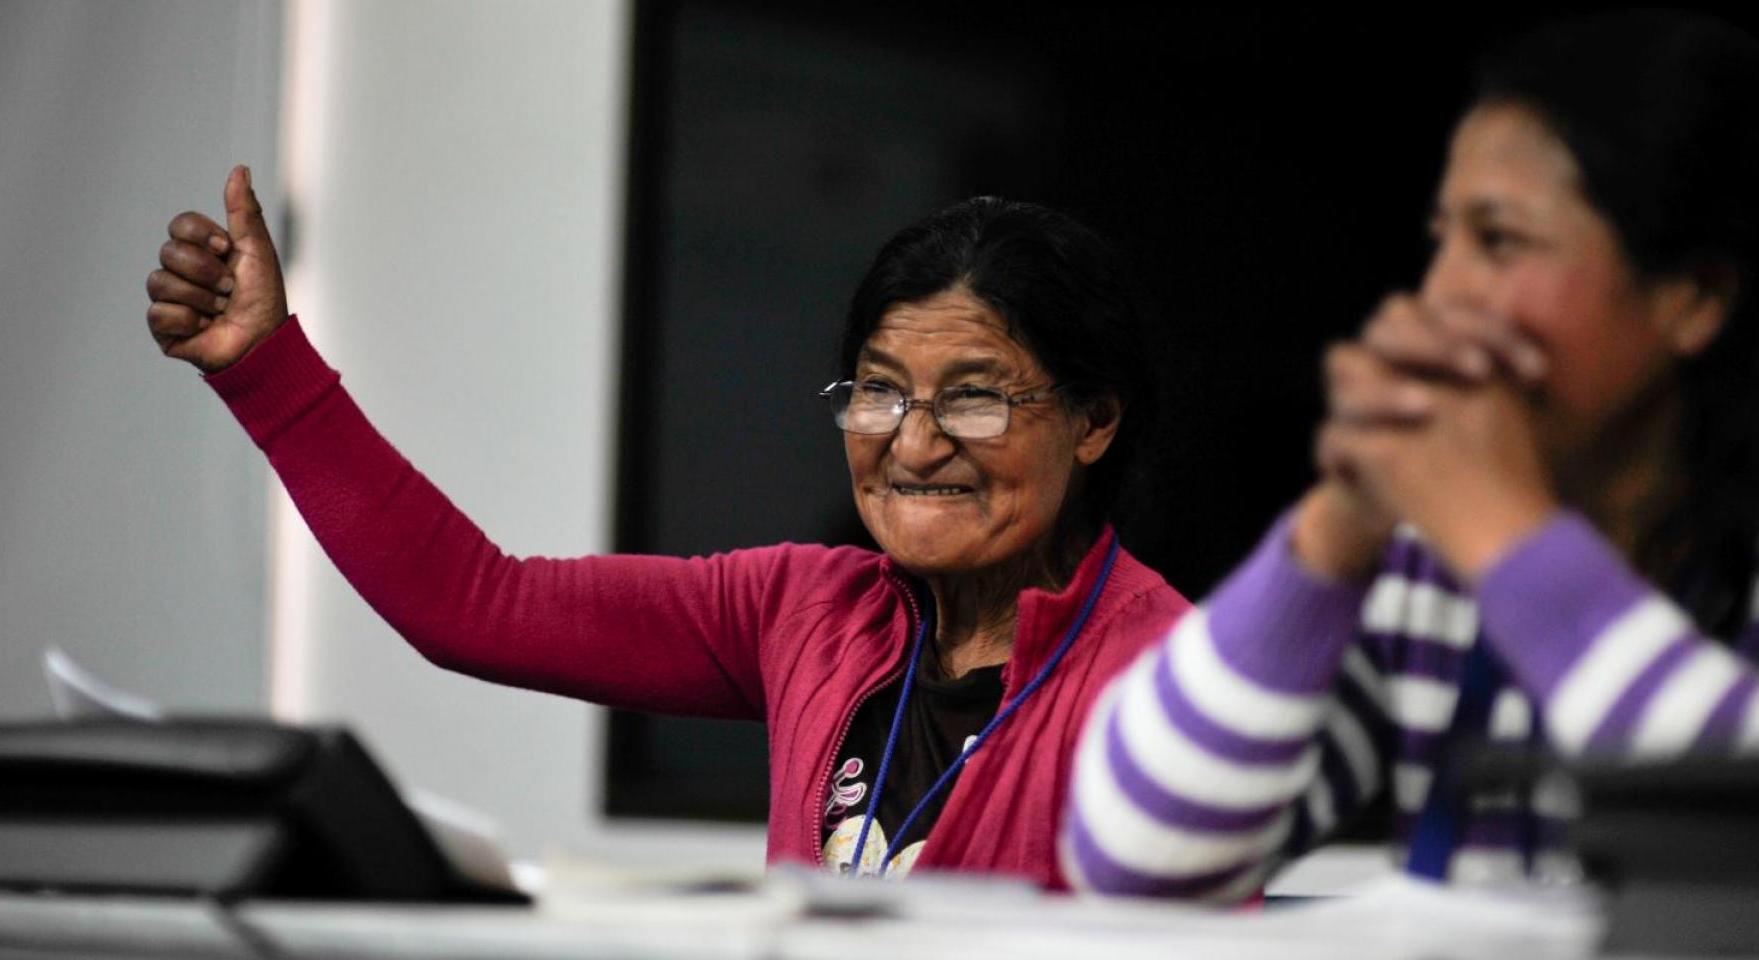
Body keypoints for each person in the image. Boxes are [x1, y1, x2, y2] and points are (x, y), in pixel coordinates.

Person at [144, 180, 1187, 887]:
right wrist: (264, 365)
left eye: (974, 399)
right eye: (878, 393)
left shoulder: (1178, 684)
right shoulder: (806, 611)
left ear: (1095, 420)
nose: (912, 448)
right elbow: (471, 603)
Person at [1062, 11, 1759, 898]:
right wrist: (1335, 530)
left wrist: (1505, 537)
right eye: (1442, 240)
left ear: (1694, 295)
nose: (1440, 294)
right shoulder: (1430, 564)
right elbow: (1133, 855)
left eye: (1499, 240)